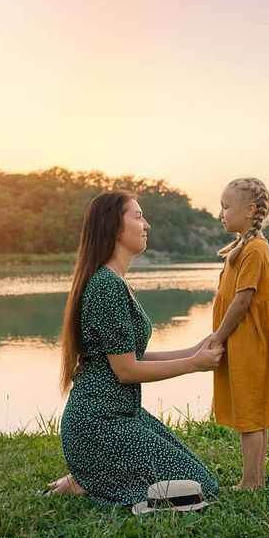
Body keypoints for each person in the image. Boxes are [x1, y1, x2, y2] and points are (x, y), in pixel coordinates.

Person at [46, 190, 223, 507]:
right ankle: (89, 480)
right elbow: (126, 371)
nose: (147, 225)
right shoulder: (105, 285)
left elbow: (131, 357)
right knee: (199, 490)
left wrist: (191, 350)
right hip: (99, 423)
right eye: (138, 216)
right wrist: (194, 364)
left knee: (201, 481)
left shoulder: (115, 280)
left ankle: (89, 478)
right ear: (114, 226)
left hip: (124, 415)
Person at [210, 177, 269, 490]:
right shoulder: (245, 245)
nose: (220, 213)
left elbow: (242, 300)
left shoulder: (254, 249)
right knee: (252, 412)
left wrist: (218, 337)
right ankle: (255, 480)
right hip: (243, 338)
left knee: (250, 414)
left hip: (248, 340)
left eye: (225, 206)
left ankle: (251, 482)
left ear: (249, 210)